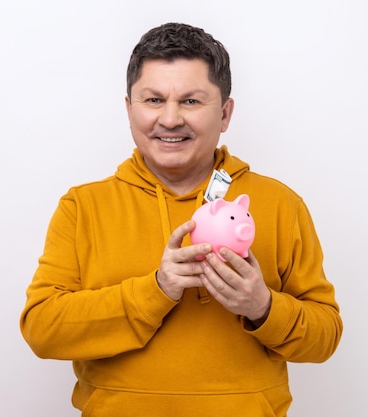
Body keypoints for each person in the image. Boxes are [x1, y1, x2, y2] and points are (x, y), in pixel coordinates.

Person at [20, 22, 342, 417]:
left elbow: (325, 337)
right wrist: (156, 290)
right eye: (153, 100)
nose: (170, 119)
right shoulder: (82, 206)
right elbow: (42, 330)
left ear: (224, 113)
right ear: (129, 109)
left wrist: (262, 306)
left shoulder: (280, 203)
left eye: (191, 101)